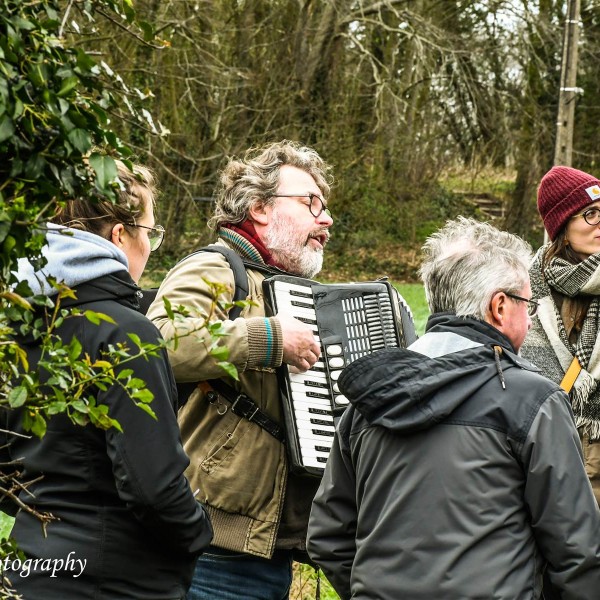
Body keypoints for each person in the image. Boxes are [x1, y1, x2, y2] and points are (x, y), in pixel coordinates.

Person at [306, 217, 600, 600]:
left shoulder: (370, 397)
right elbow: (577, 551)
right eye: (527, 306)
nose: (530, 321)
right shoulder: (533, 400)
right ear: (499, 306)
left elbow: (328, 537)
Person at [1, 160, 213, 599]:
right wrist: (198, 535)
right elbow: (153, 486)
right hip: (115, 577)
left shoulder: (15, 325)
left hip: (28, 566)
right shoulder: (125, 334)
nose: (150, 245)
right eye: (150, 232)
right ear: (120, 235)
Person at [146, 140, 334, 600]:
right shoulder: (216, 266)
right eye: (311, 203)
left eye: (326, 207)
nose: (326, 219)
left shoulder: (285, 286)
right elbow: (159, 342)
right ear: (260, 208)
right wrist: (269, 339)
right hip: (212, 550)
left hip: (270, 547)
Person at [520, 166, 600, 600]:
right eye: (591, 214)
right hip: (545, 455)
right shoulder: (523, 287)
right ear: (560, 225)